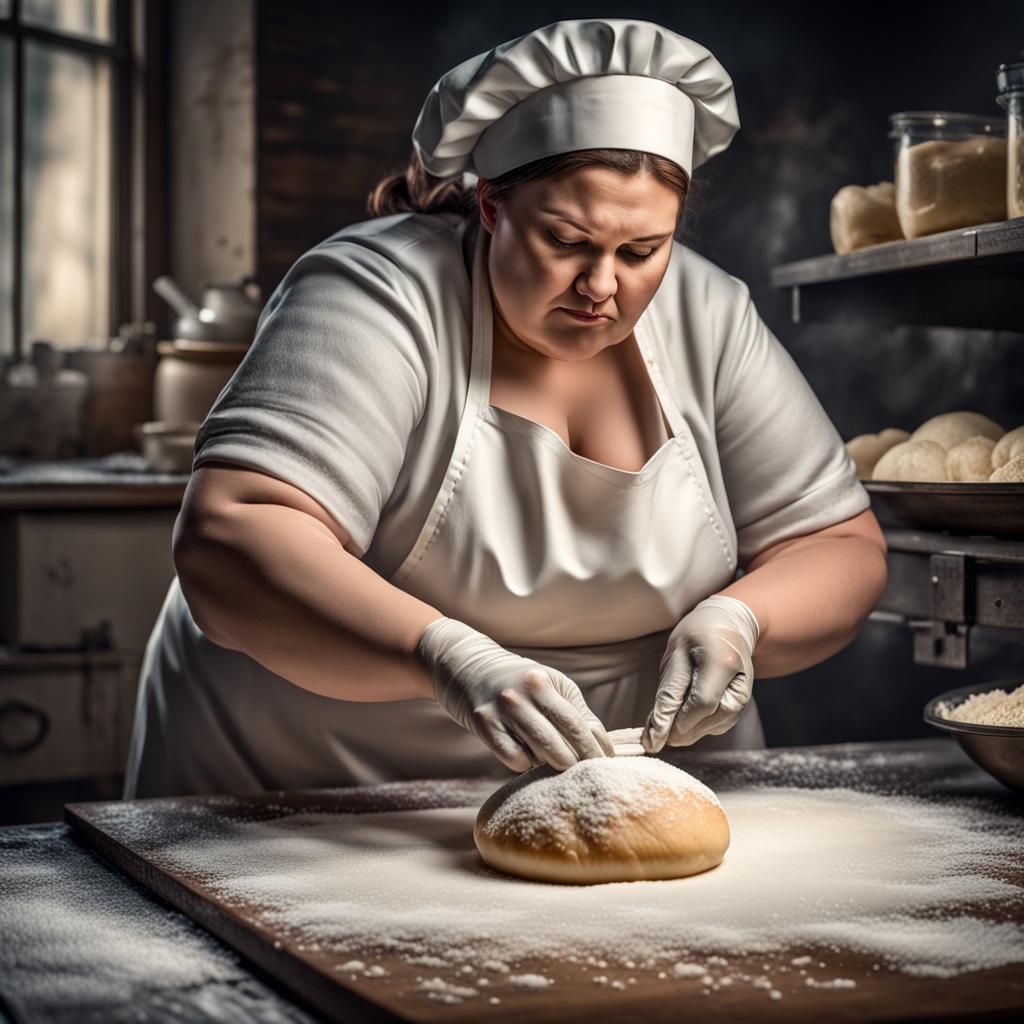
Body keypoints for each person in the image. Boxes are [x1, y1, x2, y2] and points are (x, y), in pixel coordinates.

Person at [124, 18, 887, 798]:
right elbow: (233, 535)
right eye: (566, 241)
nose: (602, 285)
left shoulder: (708, 312)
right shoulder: (378, 293)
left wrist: (743, 618)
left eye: (641, 251)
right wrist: (446, 657)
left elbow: (840, 546)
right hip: (314, 798)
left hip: (626, 792)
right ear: (491, 205)